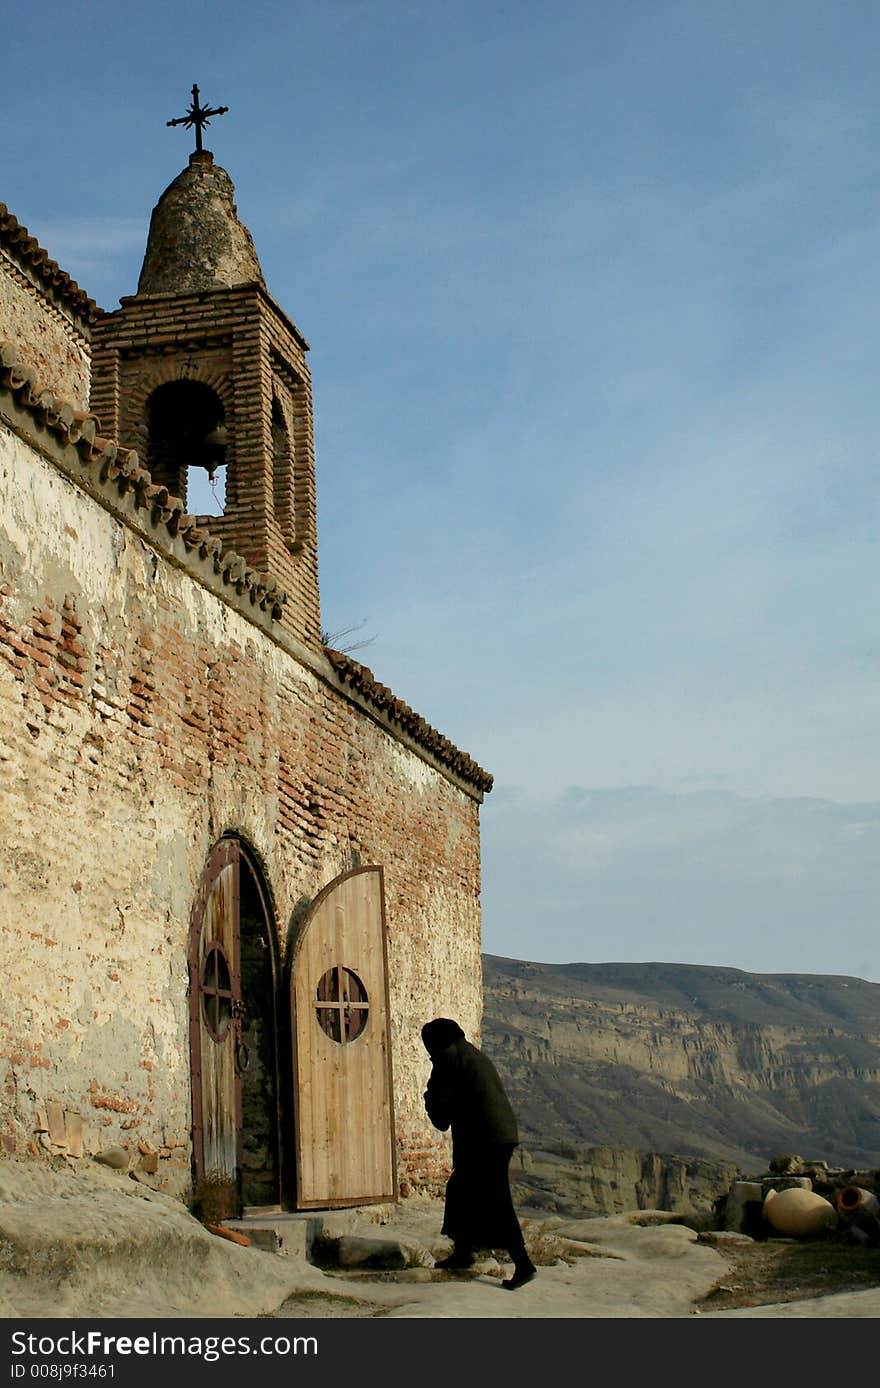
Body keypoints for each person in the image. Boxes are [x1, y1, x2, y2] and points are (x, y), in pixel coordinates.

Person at [421, 1017, 536, 1291]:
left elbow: (442, 1113)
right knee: (461, 1189)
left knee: (496, 1200)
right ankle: (464, 1252)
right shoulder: (469, 1053)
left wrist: (431, 1102)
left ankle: (523, 1263)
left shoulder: (448, 1059)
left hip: (486, 1137)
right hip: (496, 1134)